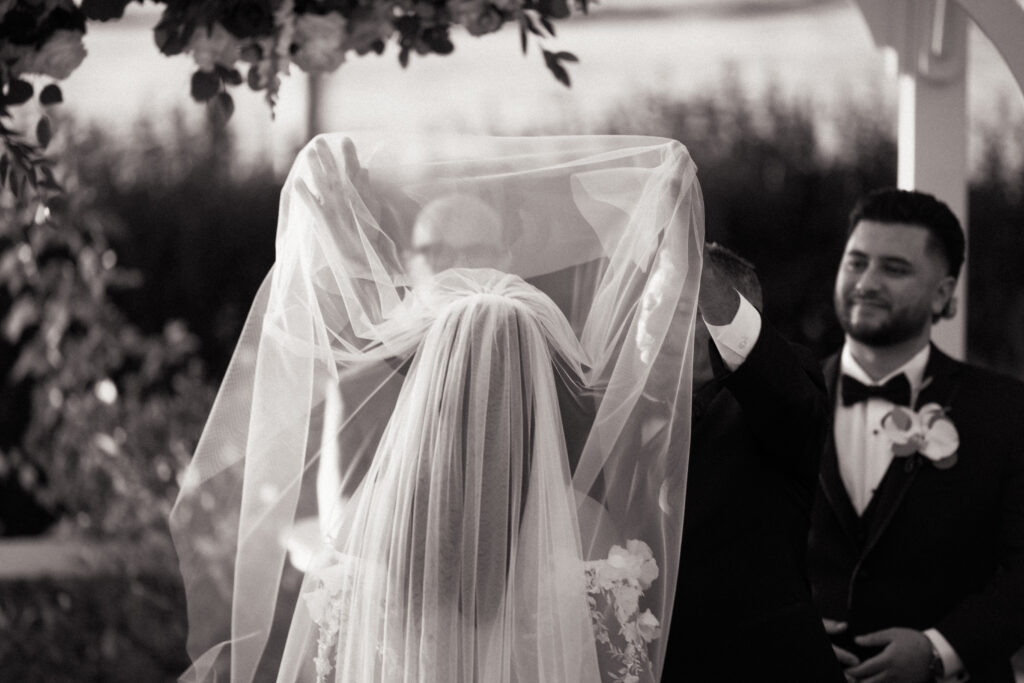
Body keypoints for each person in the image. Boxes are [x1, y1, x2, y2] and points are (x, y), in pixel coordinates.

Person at [170, 133, 705, 682]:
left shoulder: (369, 529)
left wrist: (350, 261)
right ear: (537, 382)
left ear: (434, 394)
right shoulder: (588, 532)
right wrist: (667, 249)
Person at [808, 188, 1024, 683]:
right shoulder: (780, 401)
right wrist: (786, 631)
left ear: (944, 294)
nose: (866, 282)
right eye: (856, 262)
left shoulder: (1006, 412)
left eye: (894, 269)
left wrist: (939, 650)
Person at [661, 244, 845, 682]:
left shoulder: (782, 397)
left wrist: (690, 251)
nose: (648, 324)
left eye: (671, 305)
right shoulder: (621, 416)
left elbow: (785, 397)